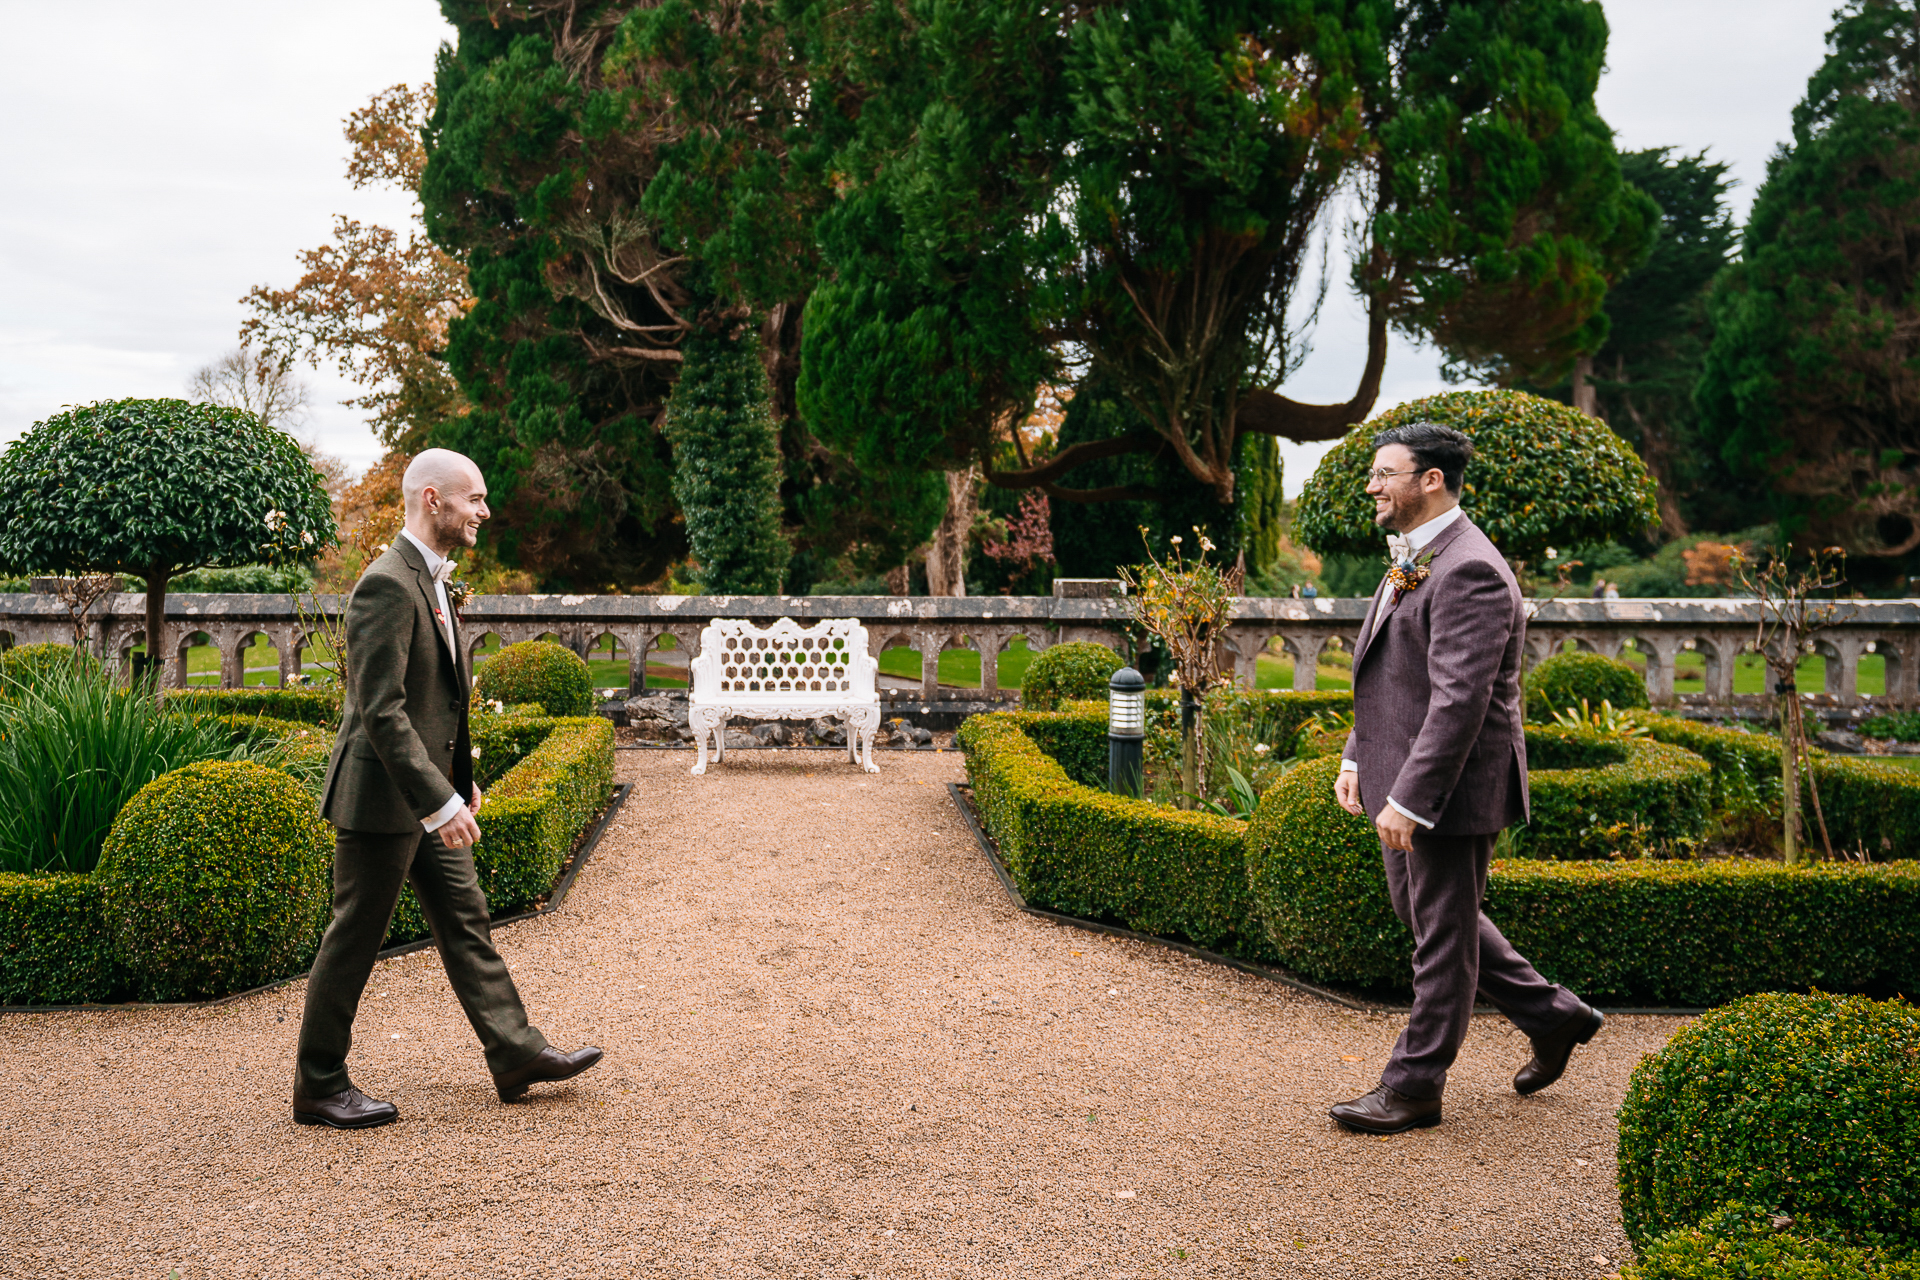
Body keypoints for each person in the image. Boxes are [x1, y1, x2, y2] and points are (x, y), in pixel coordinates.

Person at [292, 449, 603, 1129]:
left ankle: (515, 1053)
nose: (484, 513)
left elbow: (442, 702)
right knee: (354, 938)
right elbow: (381, 710)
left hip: (427, 797)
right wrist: (438, 799)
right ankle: (318, 1084)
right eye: (475, 500)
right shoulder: (386, 583)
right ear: (433, 499)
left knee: (467, 921)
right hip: (381, 801)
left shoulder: (430, 579)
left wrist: (459, 784)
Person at [1329, 422, 1603, 1134]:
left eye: (1385, 473)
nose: (1372, 486)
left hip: (1449, 792)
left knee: (1441, 938)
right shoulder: (1419, 555)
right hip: (1402, 776)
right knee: (1432, 919)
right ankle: (1553, 1014)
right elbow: (1394, 673)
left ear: (1431, 480)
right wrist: (1359, 755)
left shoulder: (1471, 568)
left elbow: (1459, 701)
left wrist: (1412, 802)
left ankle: (1414, 1086)